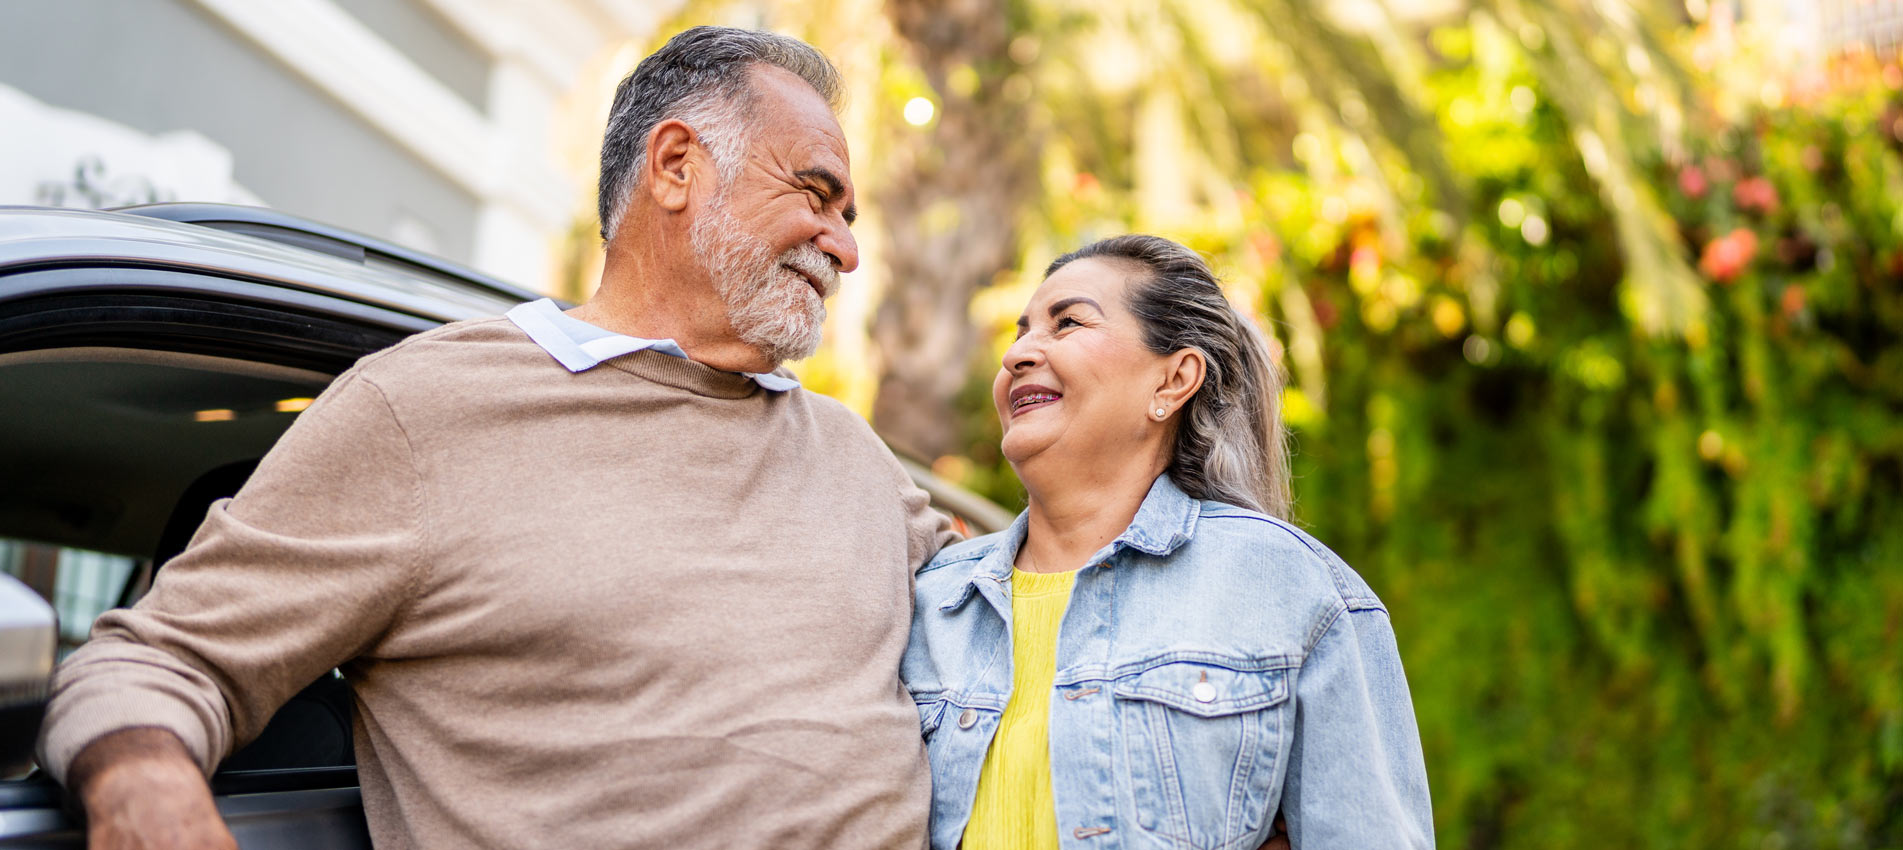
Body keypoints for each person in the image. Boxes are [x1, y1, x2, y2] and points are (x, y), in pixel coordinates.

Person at [39, 27, 957, 850]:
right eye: (817, 194)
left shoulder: (854, 458)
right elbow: (159, 660)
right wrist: (146, 795)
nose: (845, 249)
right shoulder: (424, 410)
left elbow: (1032, 622)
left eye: (847, 217)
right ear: (677, 164)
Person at [902, 234, 1434, 849]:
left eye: (1067, 322)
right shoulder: (931, 599)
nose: (1020, 353)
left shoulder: (1289, 587)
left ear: (1174, 379)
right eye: (1020, 333)